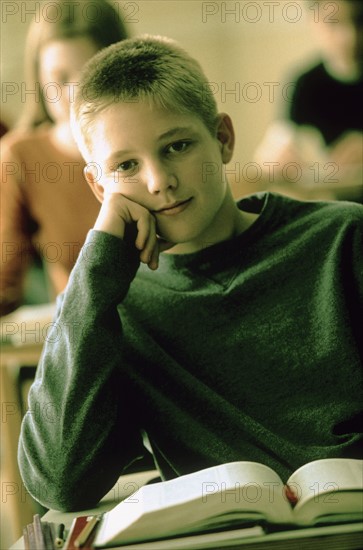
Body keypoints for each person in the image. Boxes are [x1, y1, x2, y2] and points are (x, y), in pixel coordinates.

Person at [18, 35, 362, 512]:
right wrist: (96, 269)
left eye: (177, 146)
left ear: (222, 139)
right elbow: (59, 482)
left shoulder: (343, 239)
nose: (160, 181)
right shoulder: (111, 303)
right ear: (99, 187)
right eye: (127, 165)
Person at [0, 0, 128, 316]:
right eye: (59, 79)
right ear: (40, 81)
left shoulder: (151, 143)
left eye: (90, 76)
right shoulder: (21, 157)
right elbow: (3, 285)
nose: (75, 95)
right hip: (83, 340)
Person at [254, 0, 363, 202]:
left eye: (359, 21)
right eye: (334, 23)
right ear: (315, 23)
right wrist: (277, 159)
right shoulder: (303, 82)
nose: (349, 37)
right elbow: (275, 148)